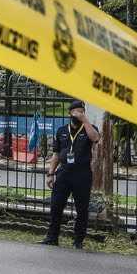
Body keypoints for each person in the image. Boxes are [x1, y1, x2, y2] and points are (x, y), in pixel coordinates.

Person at [38, 100, 100, 249]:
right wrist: (50, 173)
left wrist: (85, 120)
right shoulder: (61, 131)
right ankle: (52, 237)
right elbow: (56, 154)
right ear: (69, 113)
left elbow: (95, 138)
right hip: (64, 173)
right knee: (56, 205)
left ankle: (78, 240)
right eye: (76, 112)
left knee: (82, 208)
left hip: (82, 174)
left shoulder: (89, 128)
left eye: (81, 111)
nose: (78, 114)